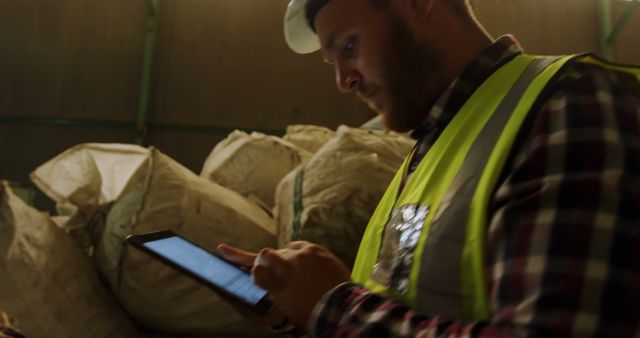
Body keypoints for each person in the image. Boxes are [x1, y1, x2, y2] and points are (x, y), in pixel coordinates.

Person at [219, 0, 640, 336]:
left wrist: (331, 305)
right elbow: (410, 301)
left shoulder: (570, 104)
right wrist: (297, 303)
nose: (344, 80)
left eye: (349, 47)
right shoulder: (430, 151)